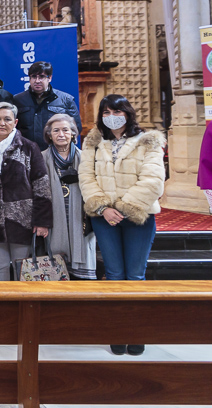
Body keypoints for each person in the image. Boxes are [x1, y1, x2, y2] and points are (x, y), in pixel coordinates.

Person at [79, 95, 165, 356]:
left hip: (138, 216)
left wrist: (124, 208)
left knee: (135, 276)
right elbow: (86, 177)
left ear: (127, 113)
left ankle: (136, 332)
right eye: (106, 112)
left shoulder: (148, 141)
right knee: (114, 274)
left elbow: (153, 179)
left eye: (117, 111)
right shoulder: (93, 141)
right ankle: (117, 331)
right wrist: (104, 209)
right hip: (104, 218)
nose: (112, 116)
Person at [0, 102, 52, 280]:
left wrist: (42, 221)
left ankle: (22, 299)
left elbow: (41, 186)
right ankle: (4, 300)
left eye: (7, 119)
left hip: (23, 221)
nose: (2, 123)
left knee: (23, 268)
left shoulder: (29, 147)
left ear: (15, 122)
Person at [43, 114, 96, 280]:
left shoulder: (86, 157)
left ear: (73, 133)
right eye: (56, 130)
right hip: (53, 215)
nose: (61, 134)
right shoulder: (41, 158)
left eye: (65, 130)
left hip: (81, 216)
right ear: (49, 134)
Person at [12, 61, 81, 150]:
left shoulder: (66, 100)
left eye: (42, 77)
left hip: (55, 152)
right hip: (26, 152)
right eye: (34, 77)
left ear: (50, 78)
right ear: (29, 78)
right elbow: (12, 128)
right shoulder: (18, 100)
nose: (37, 81)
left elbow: (76, 128)